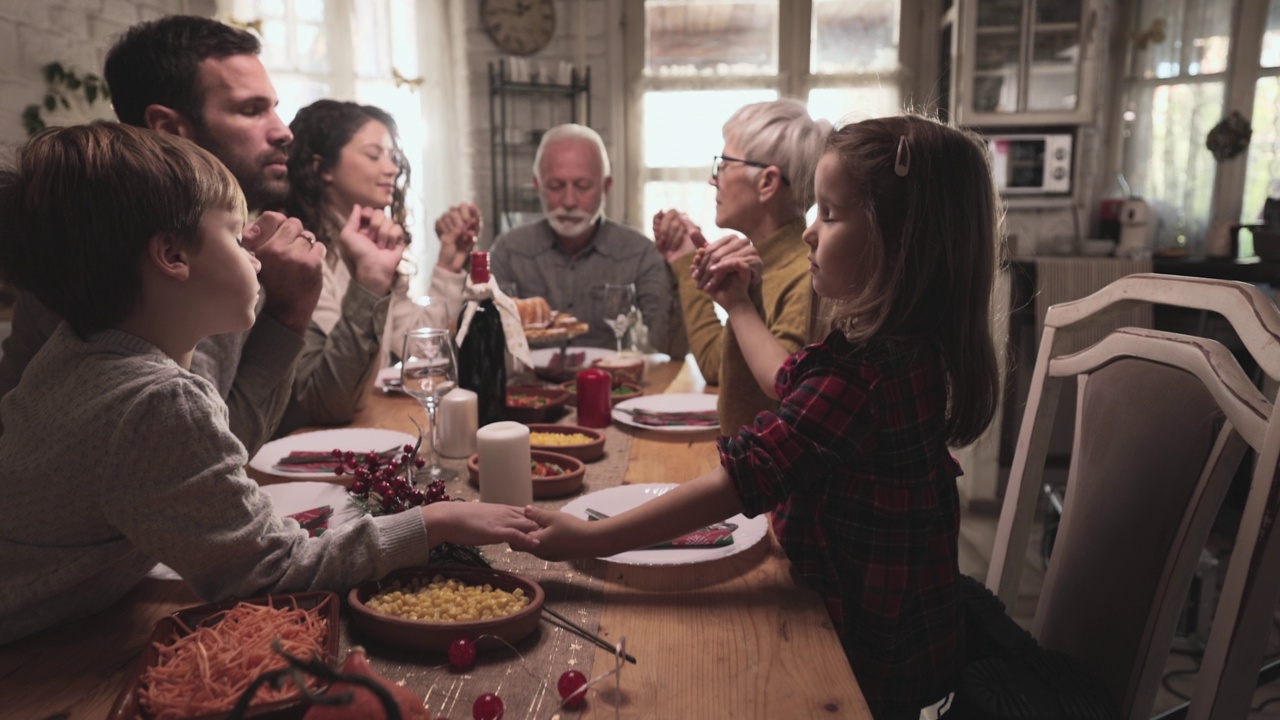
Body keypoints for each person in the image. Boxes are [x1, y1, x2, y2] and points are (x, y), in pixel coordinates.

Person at [526, 114, 1003, 719]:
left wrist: (589, 539)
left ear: (897, 244)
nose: (810, 234)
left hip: (862, 656)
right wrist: (736, 305)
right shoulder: (902, 354)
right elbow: (787, 380)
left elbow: (740, 480)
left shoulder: (861, 377)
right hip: (906, 634)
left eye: (829, 216)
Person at [0, 123, 539, 646]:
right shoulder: (156, 401)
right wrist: (435, 521)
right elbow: (266, 575)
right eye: (236, 237)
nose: (256, 258)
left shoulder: (75, 351)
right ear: (172, 256)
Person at [0, 15, 322, 453]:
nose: (284, 131)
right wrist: (290, 310)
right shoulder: (113, 249)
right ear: (170, 129)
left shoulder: (216, 233)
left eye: (274, 106)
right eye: (251, 110)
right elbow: (202, 449)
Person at [278, 99, 478, 431]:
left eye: (391, 156)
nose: (392, 168)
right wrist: (368, 282)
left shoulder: (369, 239)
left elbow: (415, 342)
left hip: (361, 425)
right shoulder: (301, 249)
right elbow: (333, 388)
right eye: (374, 155)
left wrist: (448, 265)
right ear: (323, 168)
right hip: (309, 438)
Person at [653, 99, 829, 435]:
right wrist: (686, 261)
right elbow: (717, 365)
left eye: (723, 164)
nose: (712, 179)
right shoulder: (766, 262)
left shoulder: (807, 275)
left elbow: (765, 401)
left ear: (767, 182)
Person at [489, 124, 686, 354]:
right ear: (537, 185)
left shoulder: (639, 252)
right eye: (556, 186)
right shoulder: (508, 250)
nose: (569, 201)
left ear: (606, 187)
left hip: (612, 384)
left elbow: (674, 347)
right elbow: (485, 334)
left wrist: (679, 270)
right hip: (531, 385)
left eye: (583, 186)